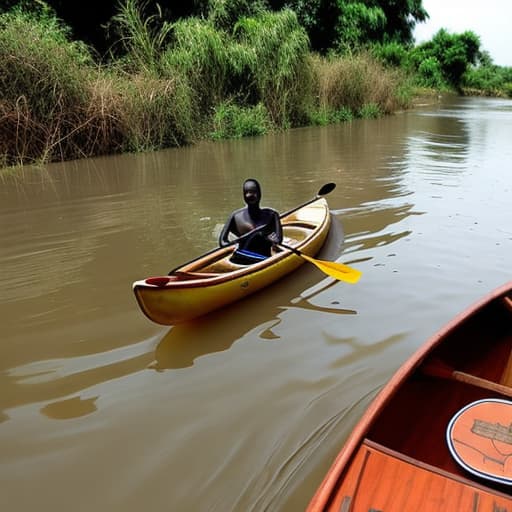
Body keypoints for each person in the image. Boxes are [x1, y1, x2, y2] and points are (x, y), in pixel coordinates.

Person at [219, 178, 283, 264]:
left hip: (265, 259)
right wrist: (235, 244)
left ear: (260, 194)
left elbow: (279, 240)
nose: (250, 195)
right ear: (243, 195)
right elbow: (222, 242)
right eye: (247, 192)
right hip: (241, 259)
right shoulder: (235, 216)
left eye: (253, 192)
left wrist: (273, 241)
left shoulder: (272, 215)